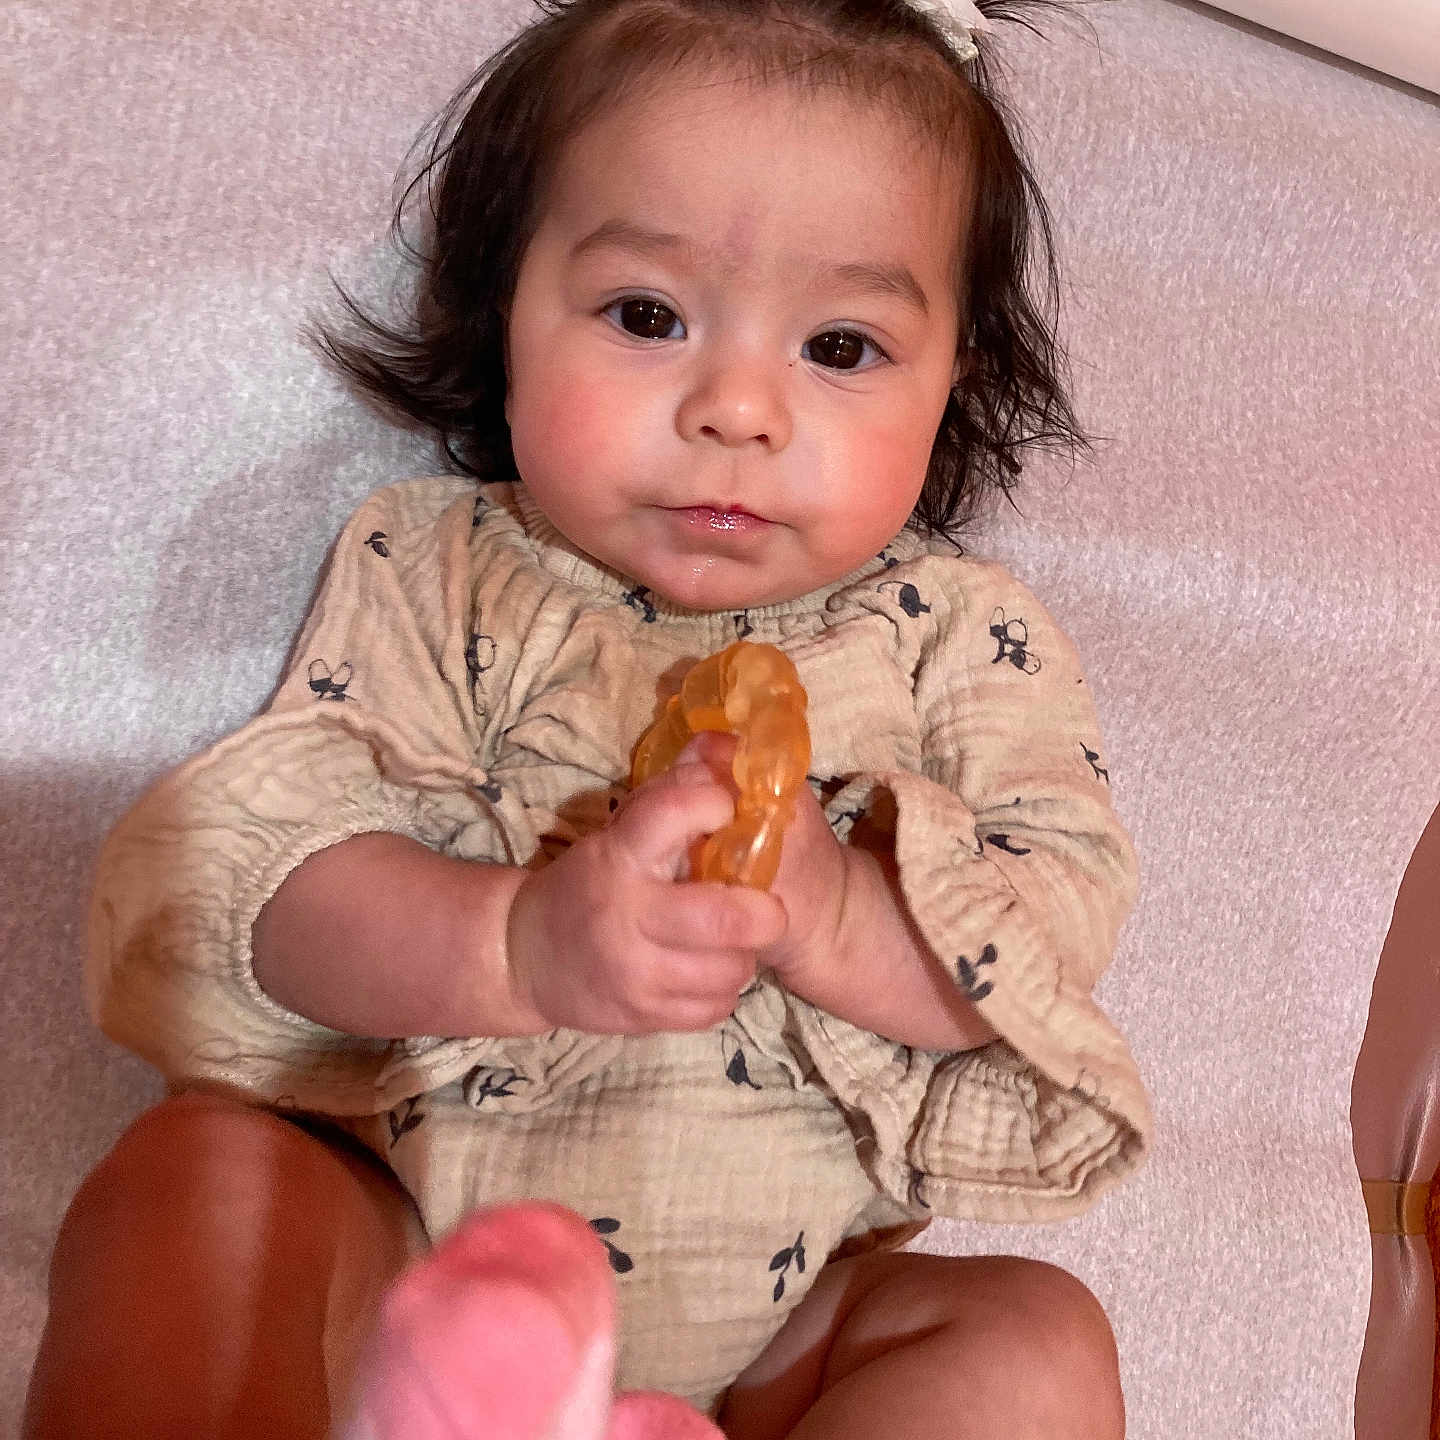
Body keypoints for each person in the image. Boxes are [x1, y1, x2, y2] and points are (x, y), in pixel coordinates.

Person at [24, 0, 1152, 1435]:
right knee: (201, 1181)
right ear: (507, 308)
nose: (737, 407)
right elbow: (272, 881)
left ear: (956, 380)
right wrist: (518, 944)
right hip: (407, 1244)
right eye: (646, 316)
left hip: (776, 1347)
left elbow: (1048, 941)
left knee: (1031, 1336)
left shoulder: (955, 637)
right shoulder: (439, 566)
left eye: (844, 348)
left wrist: (838, 915)